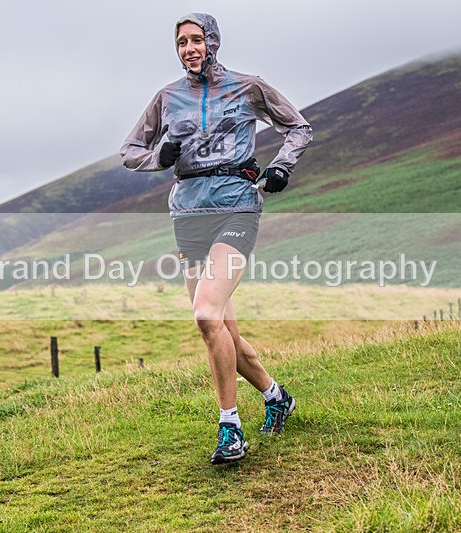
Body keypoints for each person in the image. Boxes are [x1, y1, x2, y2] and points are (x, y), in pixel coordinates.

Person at [121, 13, 312, 464]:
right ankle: (276, 396)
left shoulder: (248, 87)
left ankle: (230, 428)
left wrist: (281, 166)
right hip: (188, 214)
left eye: (196, 39)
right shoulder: (167, 98)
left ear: (213, 42)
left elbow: (299, 128)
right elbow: (129, 152)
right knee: (222, 330)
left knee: (206, 315)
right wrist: (159, 156)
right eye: (181, 42)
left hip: (236, 206)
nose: (189, 48)